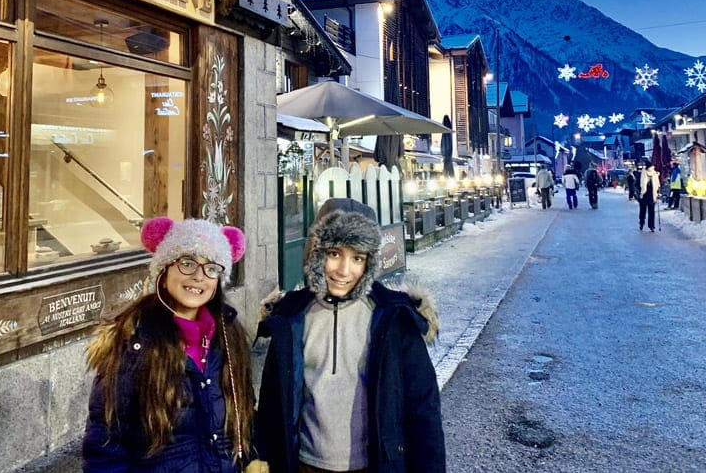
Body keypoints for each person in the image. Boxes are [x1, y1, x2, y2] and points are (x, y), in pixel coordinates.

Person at [255, 198, 446, 473]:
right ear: (316, 253)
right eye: (334, 253)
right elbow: (273, 407)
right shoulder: (290, 317)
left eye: (357, 258)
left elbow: (423, 412)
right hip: (305, 465)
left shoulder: (394, 317)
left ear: (369, 262)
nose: (344, 271)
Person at [83, 217, 259, 472]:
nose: (199, 276)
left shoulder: (228, 336)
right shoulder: (135, 343)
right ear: (163, 273)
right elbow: (107, 442)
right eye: (187, 263)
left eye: (211, 268)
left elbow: (243, 416)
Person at [638, 160, 660, 231]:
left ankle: (645, 224)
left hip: (648, 194)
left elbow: (642, 184)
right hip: (648, 194)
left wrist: (641, 192)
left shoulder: (648, 173)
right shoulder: (651, 173)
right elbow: (657, 184)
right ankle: (648, 225)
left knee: (645, 211)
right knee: (649, 211)